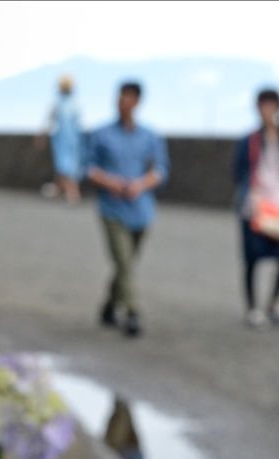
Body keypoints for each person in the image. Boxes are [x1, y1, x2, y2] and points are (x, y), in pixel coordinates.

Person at [86, 82, 169, 337]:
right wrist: (112, 183)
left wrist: (140, 185)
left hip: (141, 209)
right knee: (124, 261)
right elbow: (89, 168)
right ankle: (133, 312)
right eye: (121, 97)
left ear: (137, 101)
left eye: (129, 98)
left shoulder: (149, 136)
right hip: (112, 208)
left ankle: (110, 307)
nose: (123, 102)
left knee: (127, 264)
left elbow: (160, 169)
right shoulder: (101, 134)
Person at [233, 88, 279, 328]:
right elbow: (239, 169)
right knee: (251, 258)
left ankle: (274, 302)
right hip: (254, 205)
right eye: (263, 104)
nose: (267, 109)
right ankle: (253, 308)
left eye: (271, 104)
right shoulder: (250, 139)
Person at [45, 75, 83, 202]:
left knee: (66, 167)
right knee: (64, 166)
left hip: (68, 139)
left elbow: (51, 120)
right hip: (67, 139)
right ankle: (61, 189)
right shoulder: (70, 103)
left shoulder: (66, 103)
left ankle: (72, 192)